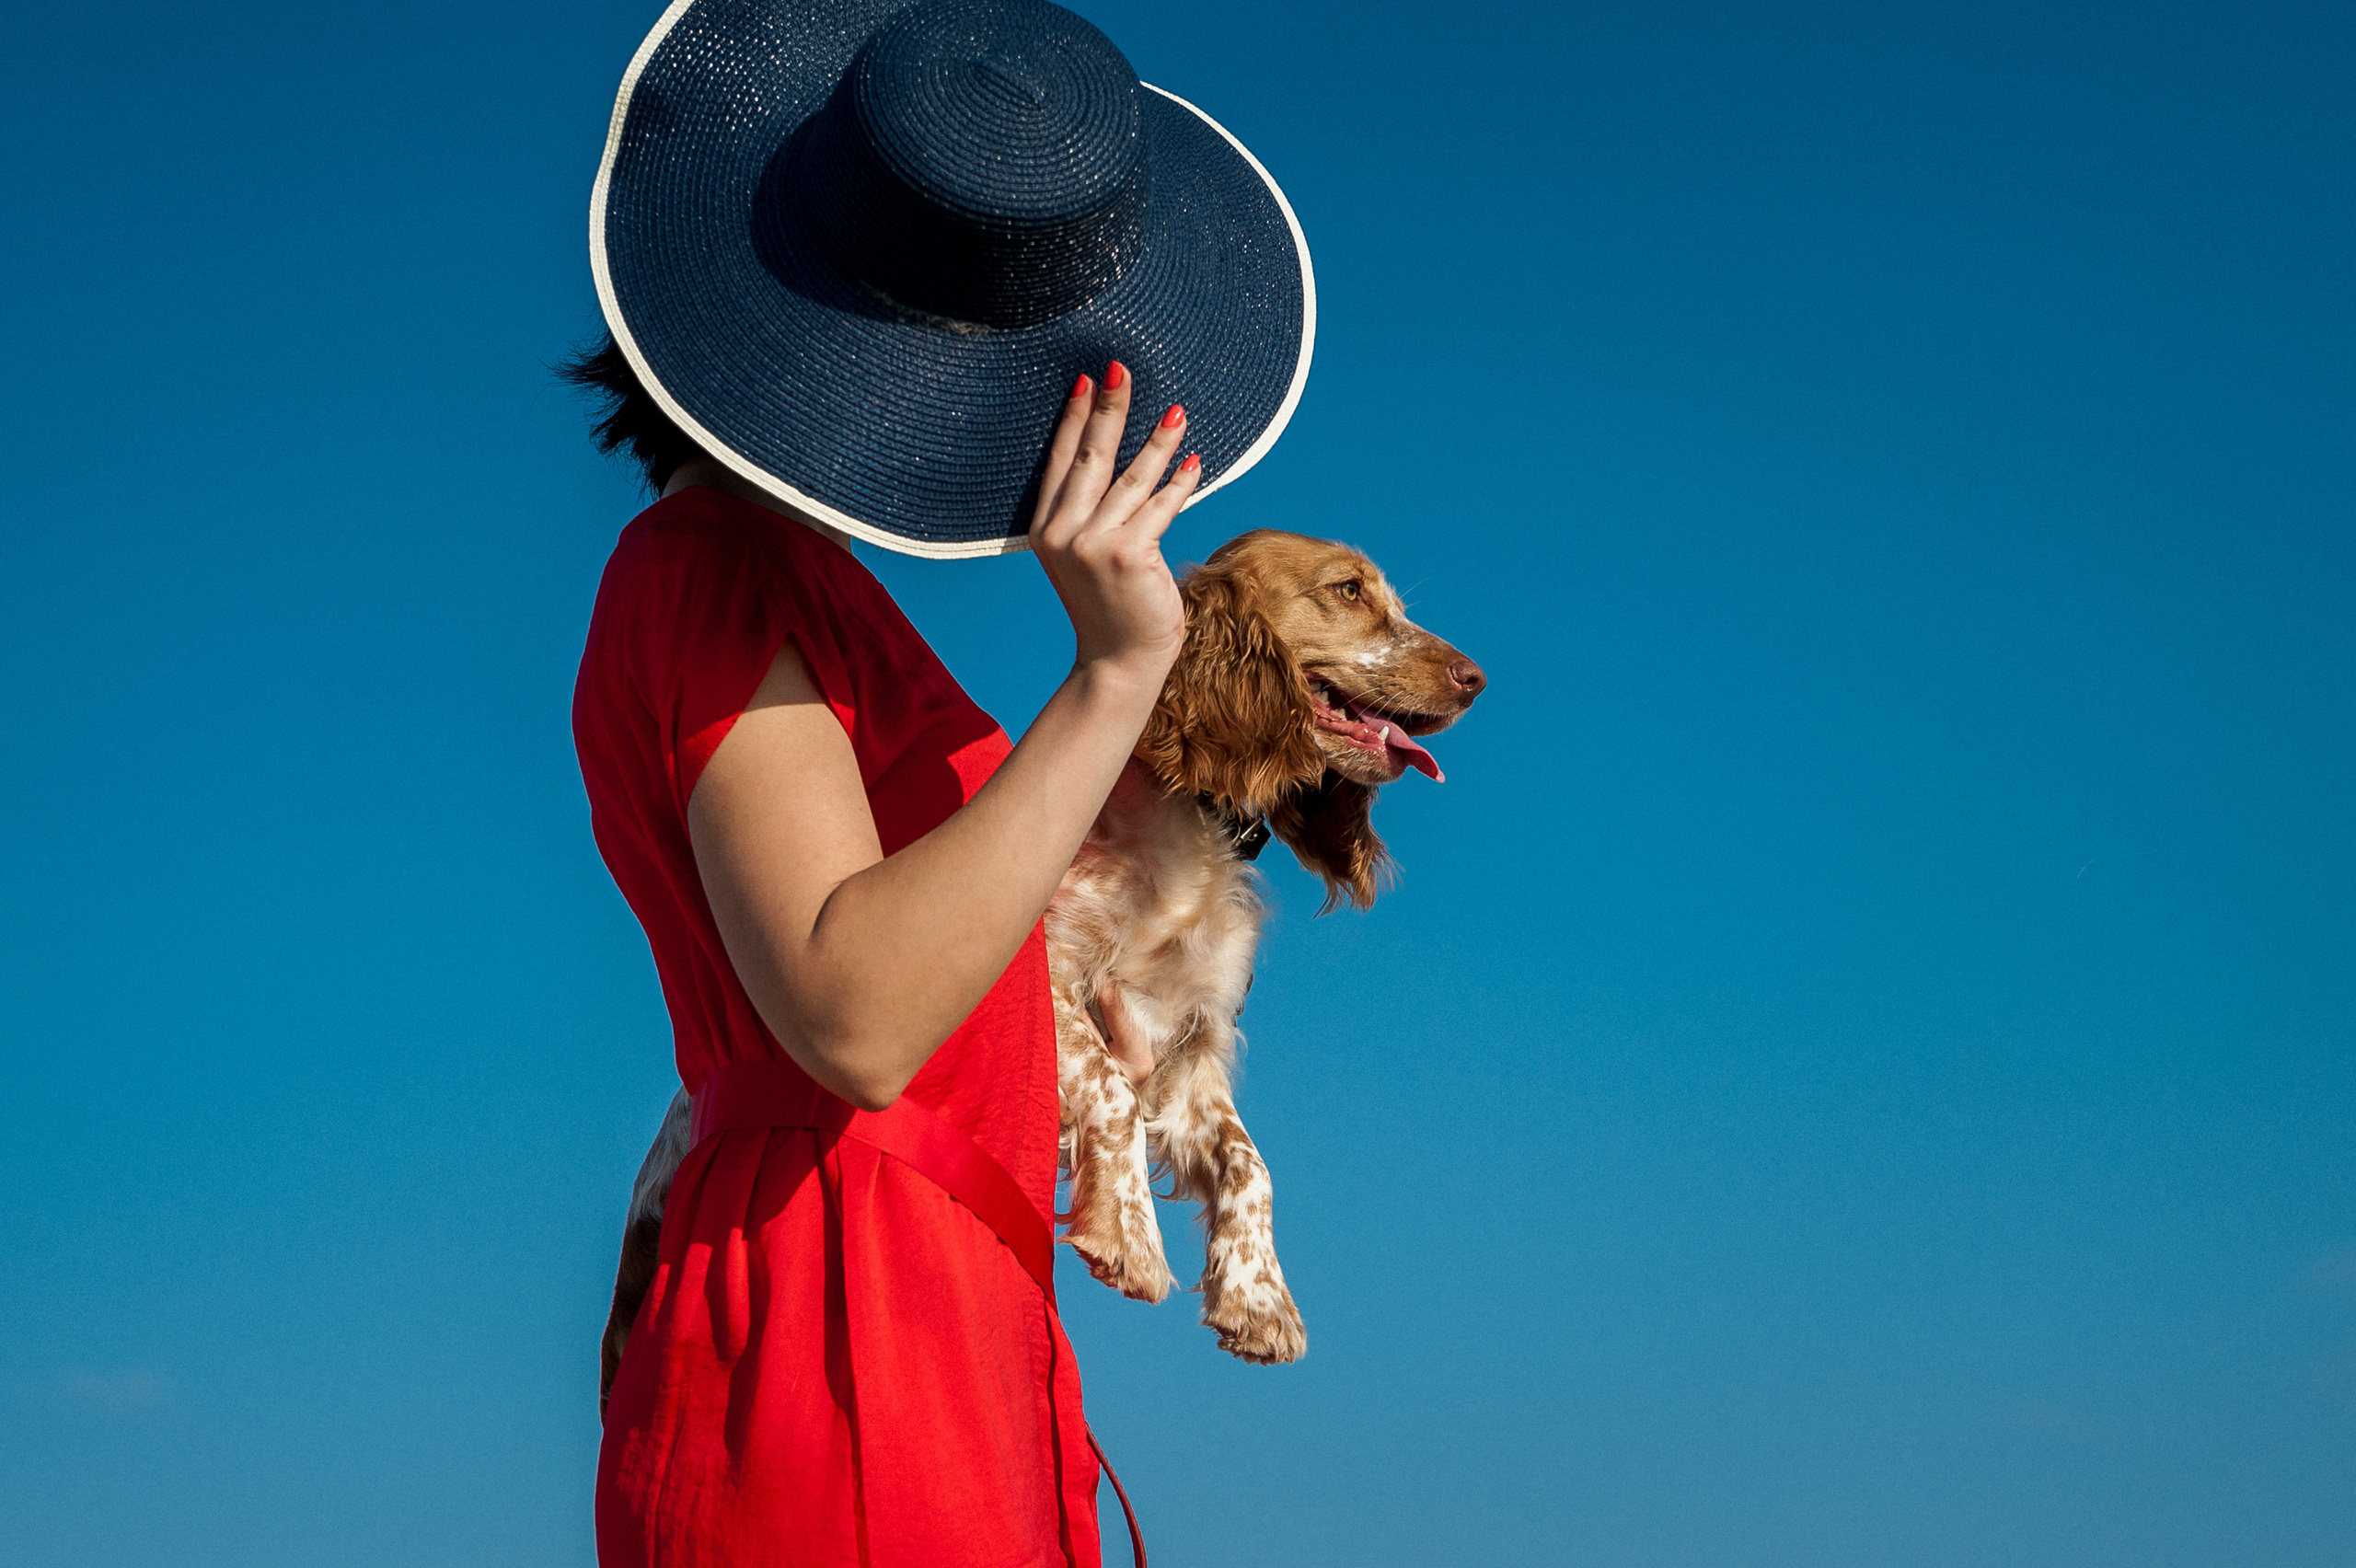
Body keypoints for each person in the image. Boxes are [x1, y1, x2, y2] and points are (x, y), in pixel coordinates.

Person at [568, 0, 1313, 1562]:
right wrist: (1113, 677)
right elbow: (853, 1009)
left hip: (945, 1315)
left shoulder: (822, 600)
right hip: (834, 1334)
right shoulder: (711, 575)